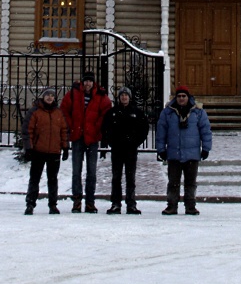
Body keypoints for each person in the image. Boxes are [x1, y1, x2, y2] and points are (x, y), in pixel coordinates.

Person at [156, 84, 212, 216]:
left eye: (184, 96)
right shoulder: (168, 112)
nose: (181, 99)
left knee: (190, 183)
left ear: (188, 97)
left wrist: (206, 148)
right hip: (174, 153)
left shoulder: (198, 112)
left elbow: (205, 131)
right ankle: (172, 205)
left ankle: (190, 206)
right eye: (179, 96)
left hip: (192, 154)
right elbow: (161, 132)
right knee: (173, 182)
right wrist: (161, 149)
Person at [60, 70, 112, 213]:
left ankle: (90, 201)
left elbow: (106, 111)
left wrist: (97, 128)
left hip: (92, 138)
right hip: (78, 137)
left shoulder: (100, 95)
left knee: (91, 172)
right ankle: (77, 201)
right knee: (76, 171)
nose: (88, 84)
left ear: (93, 82)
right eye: (86, 81)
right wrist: (71, 126)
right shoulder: (73, 94)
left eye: (90, 81)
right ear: (82, 82)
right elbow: (64, 110)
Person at [102, 87, 150, 215]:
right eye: (122, 95)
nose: (124, 97)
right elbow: (106, 129)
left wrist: (135, 142)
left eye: (126, 95)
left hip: (130, 150)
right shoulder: (112, 112)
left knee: (130, 178)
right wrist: (112, 142)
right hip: (117, 150)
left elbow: (144, 129)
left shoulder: (137, 113)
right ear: (119, 98)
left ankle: (131, 204)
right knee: (116, 178)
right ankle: (115, 203)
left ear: (130, 97)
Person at [23, 87, 68, 215]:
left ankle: (53, 204)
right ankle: (30, 203)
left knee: (53, 179)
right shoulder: (35, 112)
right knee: (35, 178)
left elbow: (64, 131)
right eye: (47, 95)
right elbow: (28, 130)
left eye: (52, 96)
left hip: (54, 151)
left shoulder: (58, 113)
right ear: (43, 97)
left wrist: (65, 147)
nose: (49, 97)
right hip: (38, 151)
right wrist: (28, 148)